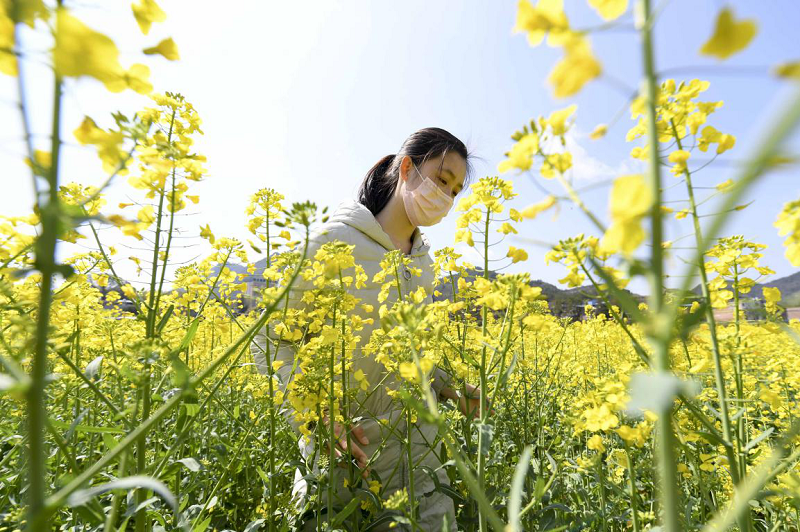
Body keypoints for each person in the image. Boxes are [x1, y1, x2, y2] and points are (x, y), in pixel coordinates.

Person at [251, 127, 482, 531]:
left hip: (421, 454)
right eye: (442, 180)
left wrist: (450, 387)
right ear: (407, 169)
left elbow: (414, 350)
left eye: (455, 191)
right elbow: (270, 340)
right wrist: (316, 418)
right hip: (347, 453)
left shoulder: (424, 264)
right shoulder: (332, 241)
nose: (446, 197)